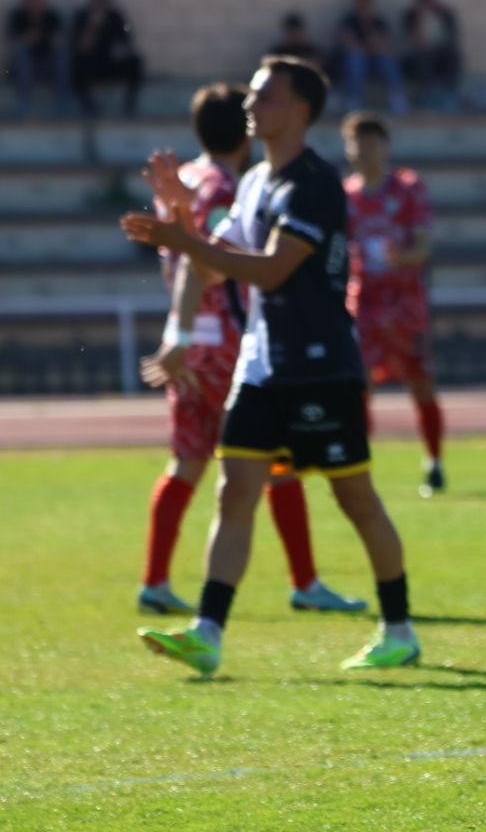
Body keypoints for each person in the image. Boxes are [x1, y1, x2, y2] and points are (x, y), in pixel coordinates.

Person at [122, 56, 420, 676]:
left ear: (300, 111)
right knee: (234, 493)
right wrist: (182, 216)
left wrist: (183, 239)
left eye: (265, 98)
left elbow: (272, 269)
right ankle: (208, 632)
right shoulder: (254, 181)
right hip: (260, 366)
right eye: (252, 97)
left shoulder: (313, 184)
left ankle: (399, 628)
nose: (251, 108)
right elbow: (212, 264)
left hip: (319, 365)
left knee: (356, 500)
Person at [136, 82, 368, 619]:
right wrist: (185, 333)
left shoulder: (187, 177)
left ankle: (156, 579)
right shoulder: (224, 186)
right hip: (226, 343)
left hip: (192, 343)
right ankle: (306, 580)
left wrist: (178, 334)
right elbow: (208, 260)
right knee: (274, 459)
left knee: (189, 461)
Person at [342, 112, 445, 495]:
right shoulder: (346, 196)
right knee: (359, 387)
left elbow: (423, 247)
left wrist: (400, 256)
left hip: (404, 305)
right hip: (364, 305)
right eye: (358, 144)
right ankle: (360, 467)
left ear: (385, 147)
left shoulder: (407, 189)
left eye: (372, 143)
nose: (366, 151)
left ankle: (434, 462)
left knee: (421, 383)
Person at [69, 0, 143, 117]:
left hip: (111, 62)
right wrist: (93, 25)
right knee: (76, 64)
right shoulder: (82, 16)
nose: (101, 1)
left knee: (136, 61)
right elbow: (81, 47)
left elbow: (126, 38)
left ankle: (129, 105)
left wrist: (125, 51)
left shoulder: (116, 16)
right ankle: (89, 107)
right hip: (92, 64)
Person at [336, 0, 406, 114]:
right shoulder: (349, 21)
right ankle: (353, 98)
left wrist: (370, 36)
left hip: (376, 61)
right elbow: (349, 44)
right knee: (355, 58)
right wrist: (368, 46)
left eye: (367, 3)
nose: (364, 6)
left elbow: (385, 45)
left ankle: (396, 97)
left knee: (388, 60)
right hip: (359, 62)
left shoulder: (379, 22)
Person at [5, 0, 70, 118]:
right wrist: (26, 39)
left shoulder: (51, 16)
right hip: (24, 66)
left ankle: (62, 101)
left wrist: (46, 38)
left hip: (47, 64)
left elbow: (59, 39)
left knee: (62, 54)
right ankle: (24, 103)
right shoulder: (18, 16)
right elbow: (13, 41)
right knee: (23, 54)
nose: (34, 3)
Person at [400, 0, 461, 111]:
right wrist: (420, 16)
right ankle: (428, 94)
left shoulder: (444, 13)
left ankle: (450, 95)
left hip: (441, 51)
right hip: (421, 52)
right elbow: (414, 39)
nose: (427, 0)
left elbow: (452, 36)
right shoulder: (411, 15)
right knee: (423, 56)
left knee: (453, 54)